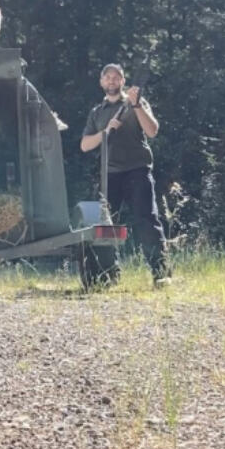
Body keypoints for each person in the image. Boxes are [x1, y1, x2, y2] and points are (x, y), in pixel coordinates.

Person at [79, 63, 173, 286]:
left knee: (147, 220)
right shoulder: (96, 112)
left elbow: (152, 131)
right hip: (109, 174)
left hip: (138, 171)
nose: (112, 81)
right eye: (107, 77)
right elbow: (84, 145)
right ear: (102, 82)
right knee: (102, 226)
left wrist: (137, 105)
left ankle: (161, 274)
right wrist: (106, 131)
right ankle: (106, 276)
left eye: (116, 77)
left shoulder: (136, 103)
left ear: (122, 81)